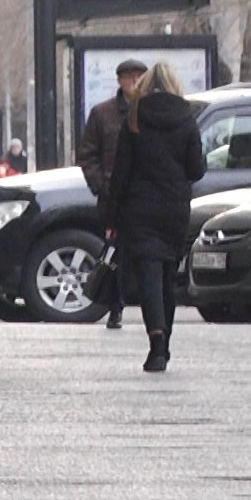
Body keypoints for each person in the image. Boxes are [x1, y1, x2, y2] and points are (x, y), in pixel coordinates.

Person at [102, 63, 204, 373]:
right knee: (168, 276)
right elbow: (196, 169)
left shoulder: (134, 116)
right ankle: (165, 342)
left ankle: (156, 340)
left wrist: (111, 215)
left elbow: (121, 171)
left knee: (148, 274)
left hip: (140, 208)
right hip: (174, 209)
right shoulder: (187, 118)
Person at [79, 58, 146, 328]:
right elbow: (87, 154)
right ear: (119, 80)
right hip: (112, 197)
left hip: (143, 195)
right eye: (129, 77)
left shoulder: (151, 111)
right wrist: (101, 185)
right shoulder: (102, 114)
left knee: (145, 255)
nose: (134, 82)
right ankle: (115, 306)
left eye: (139, 76)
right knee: (114, 255)